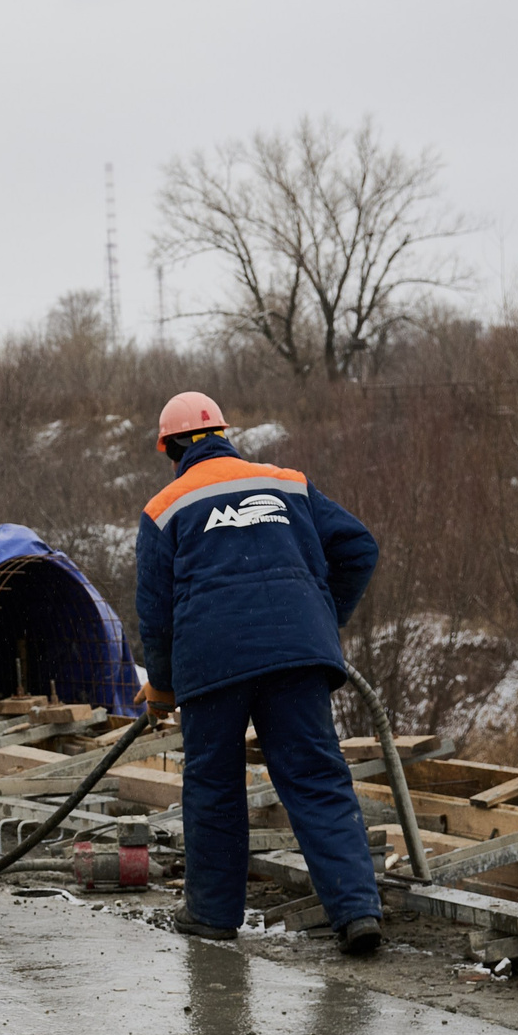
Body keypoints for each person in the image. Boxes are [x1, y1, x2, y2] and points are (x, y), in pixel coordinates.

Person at [135, 391, 384, 955]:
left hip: (212, 666)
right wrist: (320, 617)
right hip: (298, 658)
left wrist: (163, 689)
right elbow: (358, 548)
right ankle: (356, 912)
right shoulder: (287, 483)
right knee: (318, 780)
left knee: (215, 786)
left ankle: (212, 917)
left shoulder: (165, 507)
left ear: (171, 447)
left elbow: (155, 615)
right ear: (225, 434)